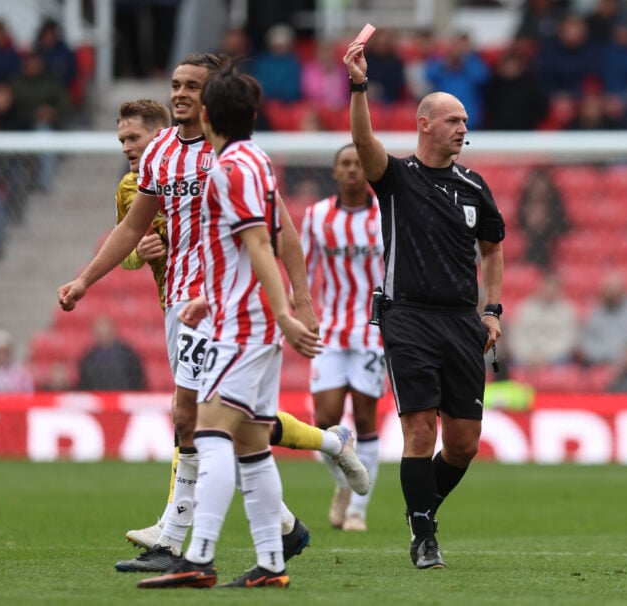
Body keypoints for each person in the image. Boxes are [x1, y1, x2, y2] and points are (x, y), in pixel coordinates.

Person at [58, 56, 365, 575]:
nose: (180, 93)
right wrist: (85, 280)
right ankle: (287, 522)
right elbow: (132, 229)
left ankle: (181, 544)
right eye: (175, 84)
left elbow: (277, 234)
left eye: (192, 86)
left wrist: (300, 299)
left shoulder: (234, 160)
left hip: (225, 308)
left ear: (213, 97)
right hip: (182, 303)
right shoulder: (159, 154)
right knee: (237, 428)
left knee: (197, 420)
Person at [137, 58, 320, 590]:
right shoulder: (256, 160)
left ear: (209, 115)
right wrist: (207, 299)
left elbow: (260, 244)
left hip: (242, 326)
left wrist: (283, 312)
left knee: (209, 431)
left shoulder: (227, 170)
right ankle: (271, 564)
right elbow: (249, 246)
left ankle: (197, 557)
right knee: (253, 446)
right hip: (241, 316)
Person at [342, 36, 505, 570]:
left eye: (465, 121)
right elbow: (362, 140)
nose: (462, 128)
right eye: (453, 120)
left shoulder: (474, 187)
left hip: (462, 321)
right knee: (419, 429)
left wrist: (492, 310)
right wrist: (359, 84)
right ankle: (423, 536)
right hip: (408, 316)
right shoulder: (396, 178)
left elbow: (493, 249)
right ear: (424, 124)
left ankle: (421, 510)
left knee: (463, 444)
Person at [300, 144, 386, 532]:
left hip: (373, 330)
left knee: (365, 419)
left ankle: (357, 512)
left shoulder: (385, 214)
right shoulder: (317, 215)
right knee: (324, 420)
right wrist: (301, 313)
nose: (352, 169)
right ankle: (345, 484)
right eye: (345, 164)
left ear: (367, 170)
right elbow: (304, 269)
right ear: (335, 172)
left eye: (357, 163)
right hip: (331, 329)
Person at [577, 270, 627, 366]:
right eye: (607, 293)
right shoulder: (594, 313)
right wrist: (604, 356)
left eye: (615, 293)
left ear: (624, 292)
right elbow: (586, 343)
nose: (611, 296)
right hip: (600, 363)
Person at [507, 274, 577, 368]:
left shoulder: (567, 310)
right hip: (526, 357)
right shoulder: (524, 308)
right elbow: (516, 336)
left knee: (564, 361)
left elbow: (568, 340)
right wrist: (529, 355)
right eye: (546, 287)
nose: (549, 291)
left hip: (555, 357)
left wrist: (545, 357)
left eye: (552, 288)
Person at [76, 314, 146, 391]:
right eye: (100, 333)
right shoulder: (88, 359)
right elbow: (84, 386)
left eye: (106, 332)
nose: (103, 335)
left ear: (114, 330)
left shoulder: (128, 355)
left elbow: (138, 382)